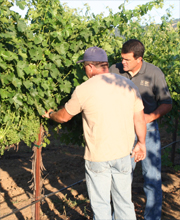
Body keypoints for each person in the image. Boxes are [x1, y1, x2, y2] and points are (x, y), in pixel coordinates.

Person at [42, 46, 147, 220]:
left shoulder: (84, 89)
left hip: (97, 157)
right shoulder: (127, 84)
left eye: (84, 67)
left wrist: (51, 114)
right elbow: (139, 119)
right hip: (123, 154)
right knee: (124, 203)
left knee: (101, 206)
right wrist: (141, 143)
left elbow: (64, 117)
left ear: (90, 67)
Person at [109, 39, 172, 220]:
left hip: (148, 130)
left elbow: (167, 103)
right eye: (122, 59)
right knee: (121, 179)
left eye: (127, 60)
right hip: (123, 132)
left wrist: (149, 117)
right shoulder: (115, 70)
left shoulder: (154, 73)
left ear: (139, 59)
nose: (123, 63)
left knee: (151, 179)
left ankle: (152, 217)